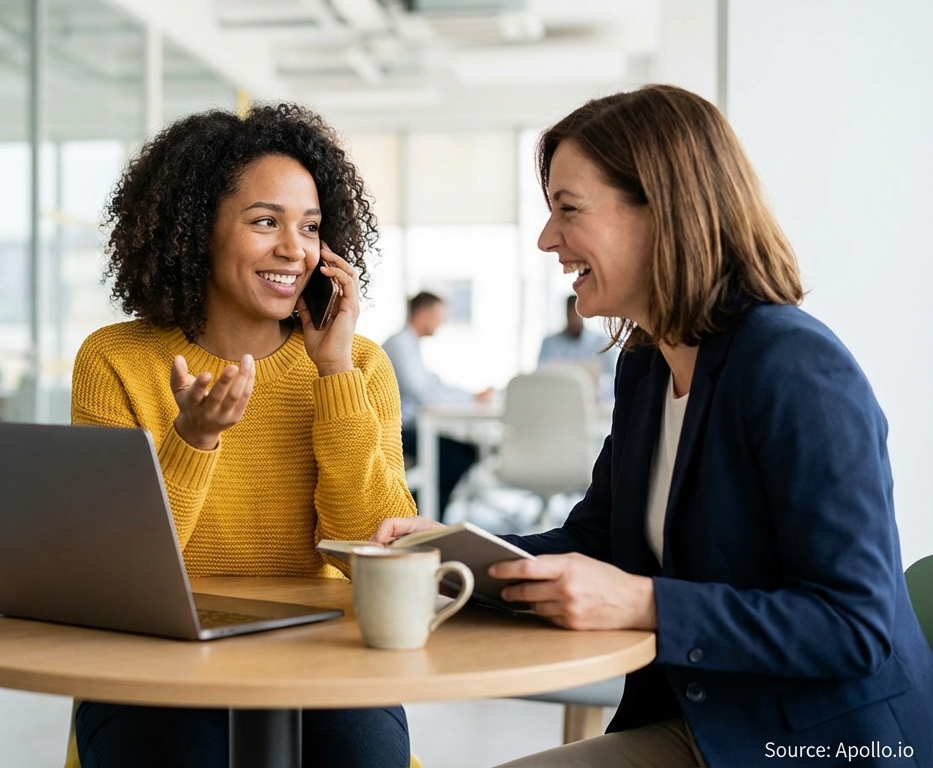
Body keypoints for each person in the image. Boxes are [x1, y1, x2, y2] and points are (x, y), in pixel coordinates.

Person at [373, 85, 932, 767]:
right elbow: (597, 541)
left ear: (663, 211)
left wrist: (647, 604)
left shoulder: (795, 367)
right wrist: (456, 549)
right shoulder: (645, 367)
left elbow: (854, 625)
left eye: (567, 210)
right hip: (709, 723)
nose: (548, 239)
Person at [68, 104, 415, 768]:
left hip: (323, 648)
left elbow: (375, 554)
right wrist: (191, 441)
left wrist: (334, 373)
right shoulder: (114, 359)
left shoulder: (360, 363)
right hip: (154, 654)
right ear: (198, 230)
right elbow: (115, 573)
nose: (295, 249)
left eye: (310, 227)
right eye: (266, 222)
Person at [382, 292, 480, 516]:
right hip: (400, 431)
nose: (441, 323)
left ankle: (428, 514)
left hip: (411, 428)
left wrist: (471, 396)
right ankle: (424, 515)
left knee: (461, 453)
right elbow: (421, 391)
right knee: (459, 456)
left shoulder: (410, 344)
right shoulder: (400, 344)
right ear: (424, 314)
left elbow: (434, 385)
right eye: (439, 316)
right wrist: (469, 398)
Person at [538, 293, 617, 397]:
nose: (573, 316)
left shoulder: (601, 343)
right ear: (565, 313)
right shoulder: (550, 342)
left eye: (576, 313)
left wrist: (599, 386)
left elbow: (611, 379)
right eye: (570, 312)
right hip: (556, 398)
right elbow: (541, 375)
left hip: (592, 401)